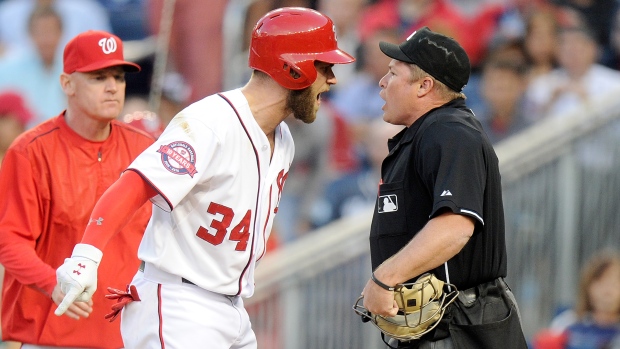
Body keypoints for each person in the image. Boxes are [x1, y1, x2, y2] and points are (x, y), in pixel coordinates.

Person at [54, 7, 354, 349]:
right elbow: (134, 184)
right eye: (324, 67)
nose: (332, 79)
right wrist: (86, 256)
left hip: (233, 310)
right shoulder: (211, 121)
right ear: (293, 67)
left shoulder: (283, 140)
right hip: (182, 303)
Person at [358, 27, 528, 348]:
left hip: (461, 326)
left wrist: (386, 277)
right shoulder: (425, 135)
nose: (382, 83)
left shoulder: (450, 131)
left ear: (425, 86)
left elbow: (455, 226)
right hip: (440, 327)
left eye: (393, 73)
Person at [0, 30, 155, 348]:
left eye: (118, 77)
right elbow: (9, 241)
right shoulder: (31, 151)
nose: (113, 87)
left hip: (129, 335)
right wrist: (53, 283)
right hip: (53, 334)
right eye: (98, 77)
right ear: (67, 84)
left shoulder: (146, 150)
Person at [532, 249, 620, 349]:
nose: (607, 291)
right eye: (600, 283)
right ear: (587, 287)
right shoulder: (567, 324)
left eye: (614, 283)